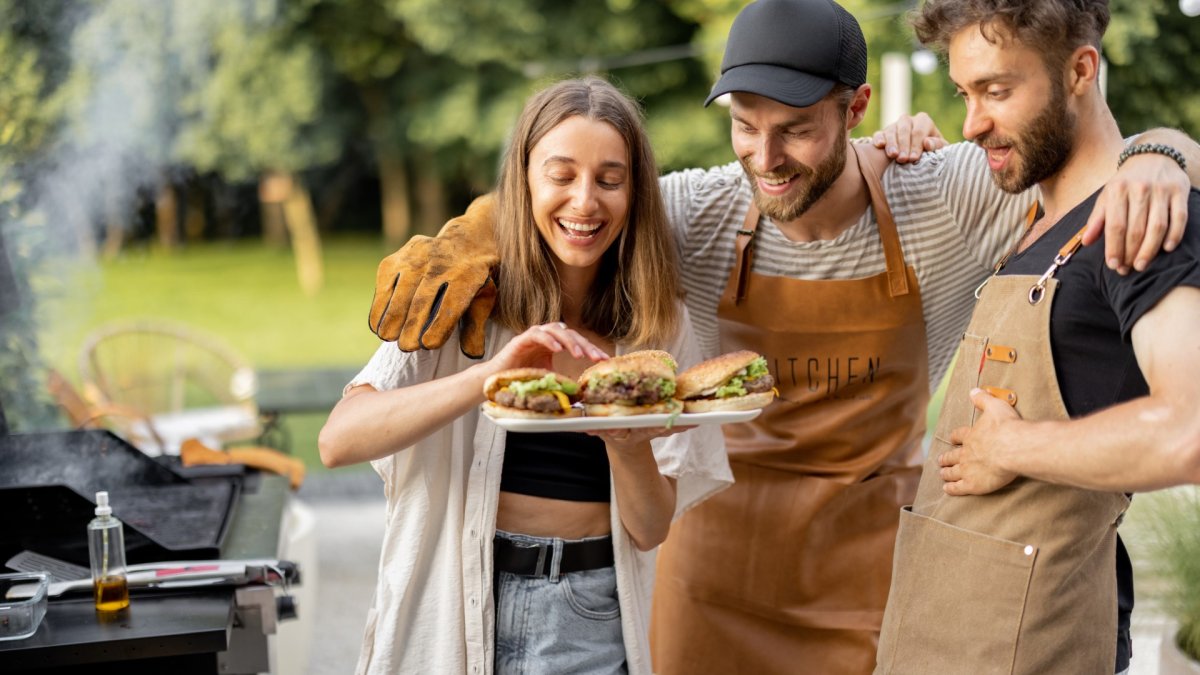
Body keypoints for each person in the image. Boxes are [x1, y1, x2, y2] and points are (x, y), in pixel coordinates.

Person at [364, 0, 1200, 671]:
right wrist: (478, 229)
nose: (765, 157)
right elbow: (582, 193)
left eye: (796, 128)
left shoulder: (948, 196)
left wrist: (1161, 154)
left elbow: (1092, 163)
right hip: (711, 585)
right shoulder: (699, 210)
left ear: (856, 109)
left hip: (868, 586)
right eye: (745, 124)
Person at [319, 77, 732, 675]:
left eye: (610, 180)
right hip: (455, 602)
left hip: (586, 620)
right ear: (524, 180)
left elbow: (648, 529)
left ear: (636, 193)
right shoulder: (467, 300)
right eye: (560, 176)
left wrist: (628, 445)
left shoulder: (657, 327)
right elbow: (338, 440)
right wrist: (489, 376)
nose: (585, 202)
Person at [874, 2, 1200, 674]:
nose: (973, 123)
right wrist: (1167, 144)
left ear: (1081, 70)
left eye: (998, 90)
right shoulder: (1031, 218)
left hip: (1037, 643)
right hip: (943, 637)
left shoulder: (1139, 219)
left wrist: (1014, 444)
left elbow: (1190, 428)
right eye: (966, 93)